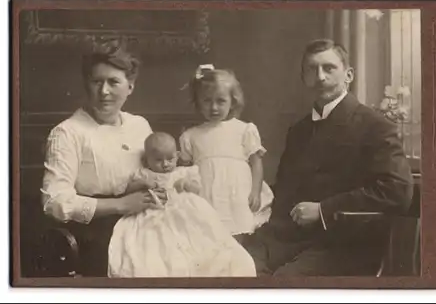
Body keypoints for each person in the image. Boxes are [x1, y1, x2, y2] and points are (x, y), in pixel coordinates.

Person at [242, 39, 414, 276]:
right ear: (304, 78)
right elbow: (285, 190)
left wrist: (324, 209)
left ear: (349, 75)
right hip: (285, 240)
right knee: (227, 264)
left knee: (282, 285)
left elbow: (397, 191)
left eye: (329, 68)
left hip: (343, 244)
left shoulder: (376, 126)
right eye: (312, 69)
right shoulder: (299, 130)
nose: (320, 76)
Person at [40, 41, 165, 276]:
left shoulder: (139, 125)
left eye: (113, 82)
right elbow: (53, 200)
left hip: (147, 218)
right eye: (96, 81)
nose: (104, 91)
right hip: (99, 230)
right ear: (86, 84)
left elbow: (155, 172)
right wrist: (119, 205)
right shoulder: (68, 132)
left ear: (130, 86)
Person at [107, 132, 256, 277]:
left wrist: (186, 184)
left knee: (199, 238)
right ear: (147, 160)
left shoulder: (183, 172)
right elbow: (128, 190)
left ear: (177, 156)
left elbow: (197, 188)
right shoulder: (144, 174)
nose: (165, 164)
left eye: (170, 158)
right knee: (154, 243)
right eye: (158, 160)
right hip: (152, 212)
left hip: (184, 211)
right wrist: (142, 184)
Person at [179, 66, 274, 243]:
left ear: (233, 101)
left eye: (221, 101)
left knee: (239, 230)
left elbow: (256, 163)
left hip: (237, 191)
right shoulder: (191, 135)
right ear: (198, 103)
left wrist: (255, 191)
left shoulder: (244, 129)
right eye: (207, 101)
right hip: (206, 192)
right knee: (208, 233)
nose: (214, 107)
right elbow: (185, 170)